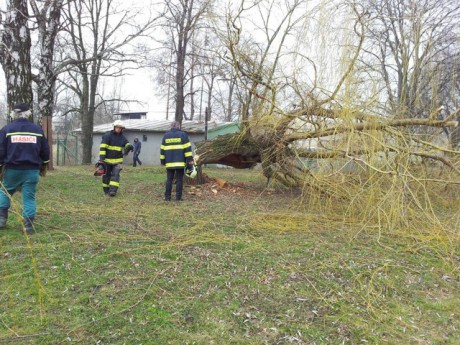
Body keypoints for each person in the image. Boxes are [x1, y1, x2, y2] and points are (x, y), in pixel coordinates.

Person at [0, 102, 50, 234]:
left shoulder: (6, 129)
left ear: (14, 114)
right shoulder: (37, 130)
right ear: (28, 113)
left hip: (11, 170)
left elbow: (1, 150)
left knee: (4, 192)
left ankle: (1, 220)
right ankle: (28, 227)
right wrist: (44, 163)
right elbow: (45, 151)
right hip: (31, 170)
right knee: (29, 197)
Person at [160, 121, 194, 201]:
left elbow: (162, 149)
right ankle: (178, 198)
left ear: (171, 127)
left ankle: (167, 197)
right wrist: (189, 160)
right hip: (180, 162)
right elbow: (188, 149)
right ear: (179, 126)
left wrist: (162, 161)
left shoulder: (166, 136)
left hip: (169, 162)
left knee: (169, 179)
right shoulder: (183, 135)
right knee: (179, 180)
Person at [98, 120, 133, 197]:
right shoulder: (107, 136)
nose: (119, 129)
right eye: (117, 127)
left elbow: (127, 143)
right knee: (106, 176)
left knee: (115, 176)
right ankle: (106, 191)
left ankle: (112, 191)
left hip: (118, 162)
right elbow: (103, 148)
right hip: (106, 161)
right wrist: (101, 160)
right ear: (114, 127)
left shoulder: (122, 137)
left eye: (120, 128)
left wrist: (129, 146)